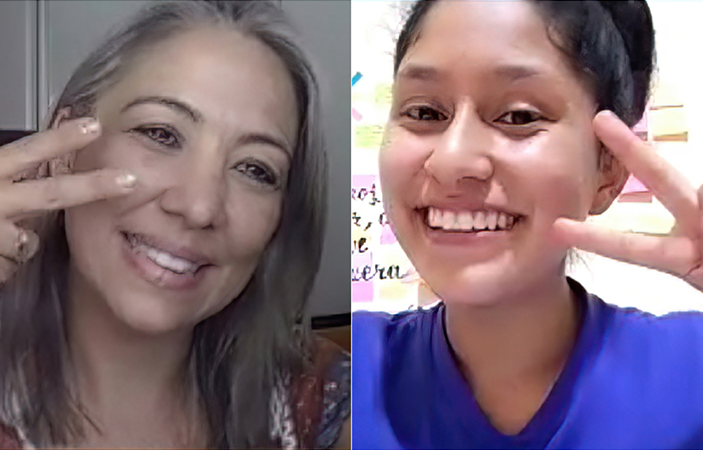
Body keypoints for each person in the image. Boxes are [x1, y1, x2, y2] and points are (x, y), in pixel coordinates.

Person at [352, 0, 703, 448]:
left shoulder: (690, 374)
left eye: (518, 116)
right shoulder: (341, 375)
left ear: (608, 169)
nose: (452, 160)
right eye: (424, 113)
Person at [0, 1, 349, 448]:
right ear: (64, 150)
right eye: (161, 134)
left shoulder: (319, 399)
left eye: (255, 169)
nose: (199, 207)